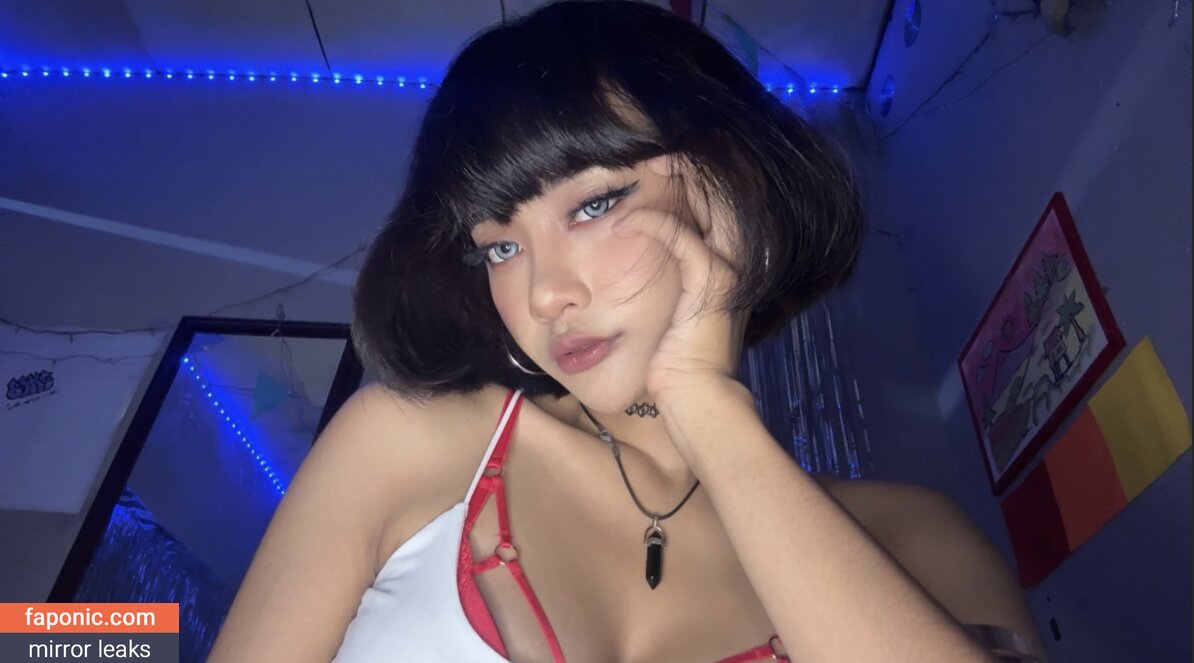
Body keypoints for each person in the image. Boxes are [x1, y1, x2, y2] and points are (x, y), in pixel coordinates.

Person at [209, 1, 1048, 661]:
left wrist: (703, 405)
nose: (545, 294)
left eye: (594, 203)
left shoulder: (913, 539)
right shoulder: (405, 446)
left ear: (733, 179)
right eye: (500, 246)